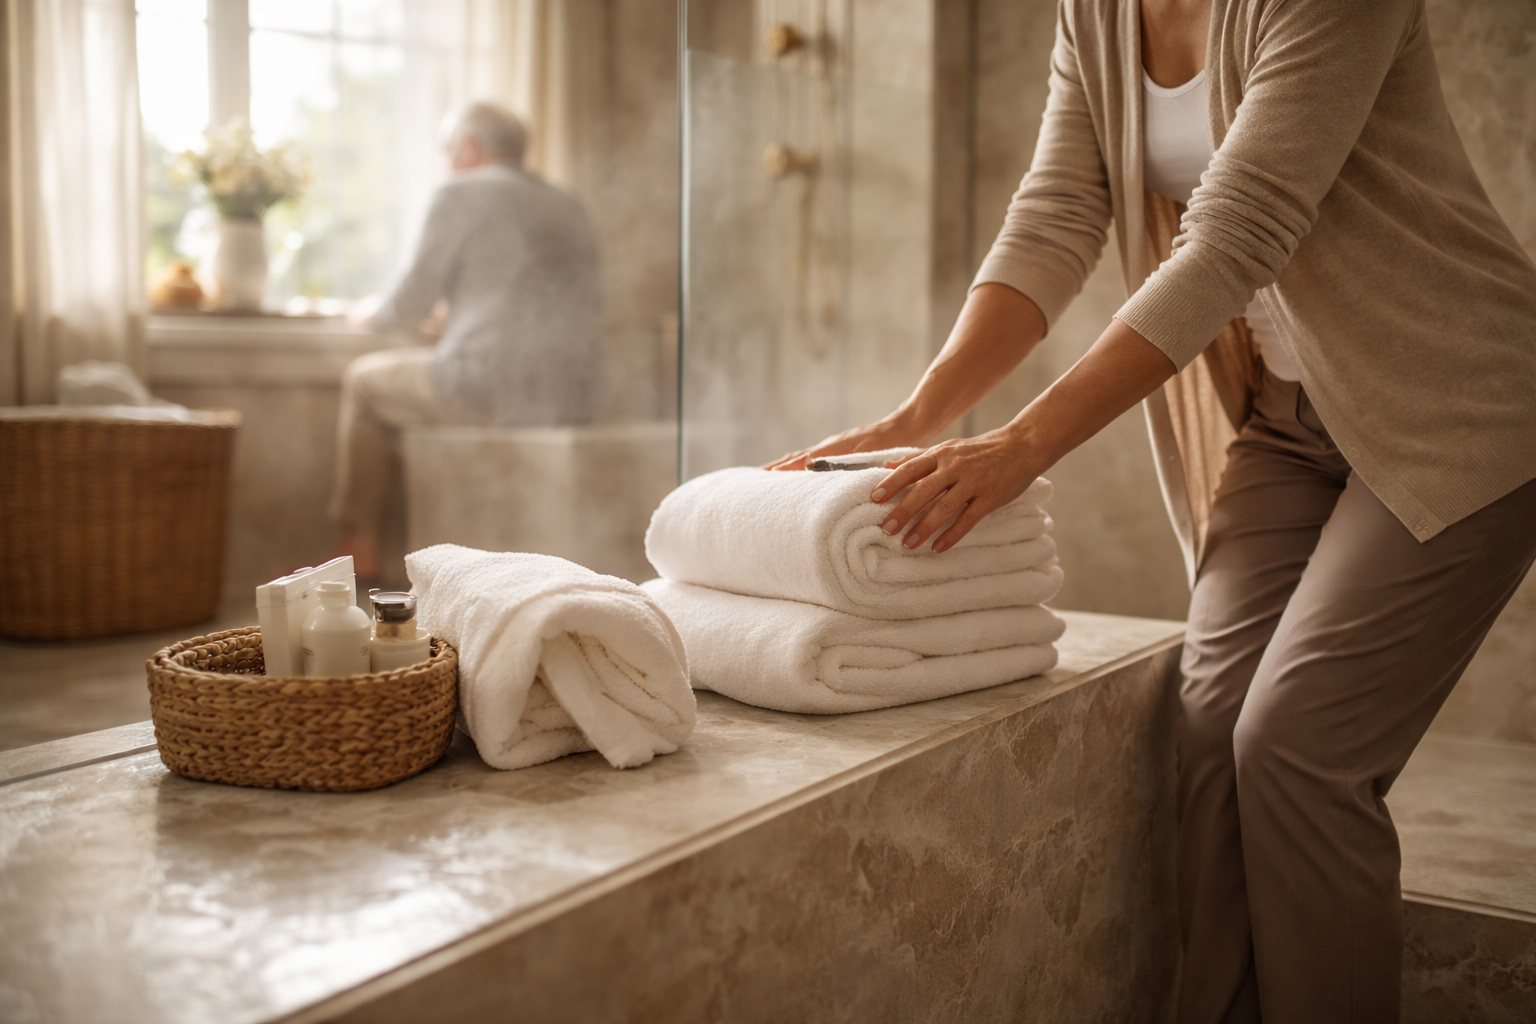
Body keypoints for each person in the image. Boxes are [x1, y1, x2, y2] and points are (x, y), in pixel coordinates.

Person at [770, 0, 1536, 1020]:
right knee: (1211, 722)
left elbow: (1238, 234)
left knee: (1297, 748)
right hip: (1287, 419)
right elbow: (1054, 215)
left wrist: (1023, 442)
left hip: (1454, 404)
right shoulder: (1096, 13)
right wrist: (922, 412)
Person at [331, 101, 602, 579]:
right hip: (570, 395)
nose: (447, 162)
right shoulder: (568, 203)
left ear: (471, 147)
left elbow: (407, 304)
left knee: (363, 382)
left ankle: (360, 548)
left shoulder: (459, 194)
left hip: (486, 386)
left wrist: (370, 312)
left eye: (448, 150)